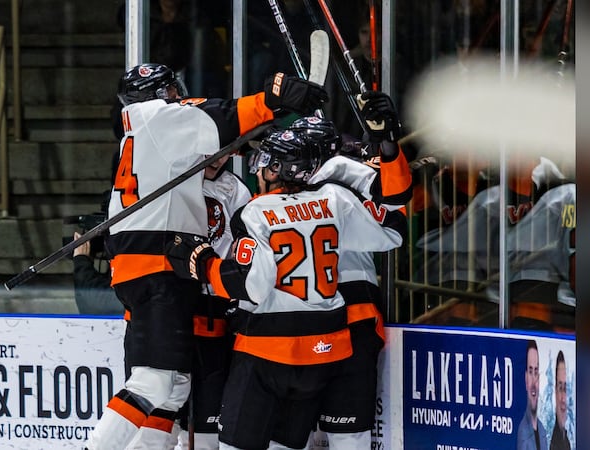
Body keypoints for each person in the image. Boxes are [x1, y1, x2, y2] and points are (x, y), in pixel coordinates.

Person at [84, 62, 328, 450]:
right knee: (154, 381)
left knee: (174, 386)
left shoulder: (147, 133)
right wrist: (270, 101)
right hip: (158, 263)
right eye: (171, 91)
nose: (177, 97)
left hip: (157, 265)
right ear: (159, 96)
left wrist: (271, 110)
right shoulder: (156, 118)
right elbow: (220, 115)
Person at [165, 128, 405, 450]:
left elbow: (253, 285)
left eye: (266, 163)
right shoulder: (334, 200)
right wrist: (363, 175)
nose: (260, 171)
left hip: (268, 353)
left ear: (278, 169)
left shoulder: (256, 211)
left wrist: (203, 262)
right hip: (323, 354)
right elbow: (392, 230)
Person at [298, 92, 412, 449]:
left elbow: (395, 215)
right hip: (307, 315)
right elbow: (395, 223)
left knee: (329, 432)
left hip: (339, 311)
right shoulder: (340, 177)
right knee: (328, 433)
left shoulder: (346, 178)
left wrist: (386, 148)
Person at [175, 153, 252, 449]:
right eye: (209, 154)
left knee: (209, 402)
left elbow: (243, 245)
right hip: (179, 303)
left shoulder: (235, 189)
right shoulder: (175, 183)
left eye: (223, 154)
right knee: (170, 401)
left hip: (218, 304)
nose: (217, 161)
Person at [517, 339, 548, 450]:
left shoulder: (543, 431)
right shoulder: (523, 432)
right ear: (526, 379)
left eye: (536, 371)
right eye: (530, 372)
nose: (534, 381)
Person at [549, 351, 570, 450]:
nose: (563, 398)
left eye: (566, 389)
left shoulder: (566, 439)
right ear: (555, 393)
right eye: (560, 388)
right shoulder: (552, 442)